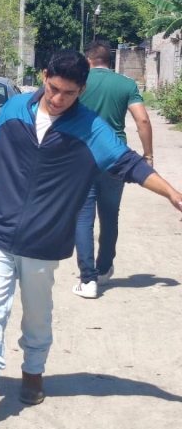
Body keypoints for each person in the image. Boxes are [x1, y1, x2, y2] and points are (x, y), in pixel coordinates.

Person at [0, 49, 182, 420]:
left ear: (82, 90)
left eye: (69, 93)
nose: (58, 99)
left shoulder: (92, 129)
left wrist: (173, 193)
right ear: (45, 76)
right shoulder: (13, 110)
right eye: (54, 88)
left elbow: (130, 165)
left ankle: (33, 373)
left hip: (44, 239)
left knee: (37, 314)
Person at [72, 41, 154, 299]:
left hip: (81, 156)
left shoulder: (79, 81)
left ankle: (88, 280)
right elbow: (142, 119)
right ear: (110, 60)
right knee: (110, 215)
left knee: (83, 218)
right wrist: (148, 155)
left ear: (89, 61)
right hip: (115, 157)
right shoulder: (126, 84)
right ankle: (104, 268)